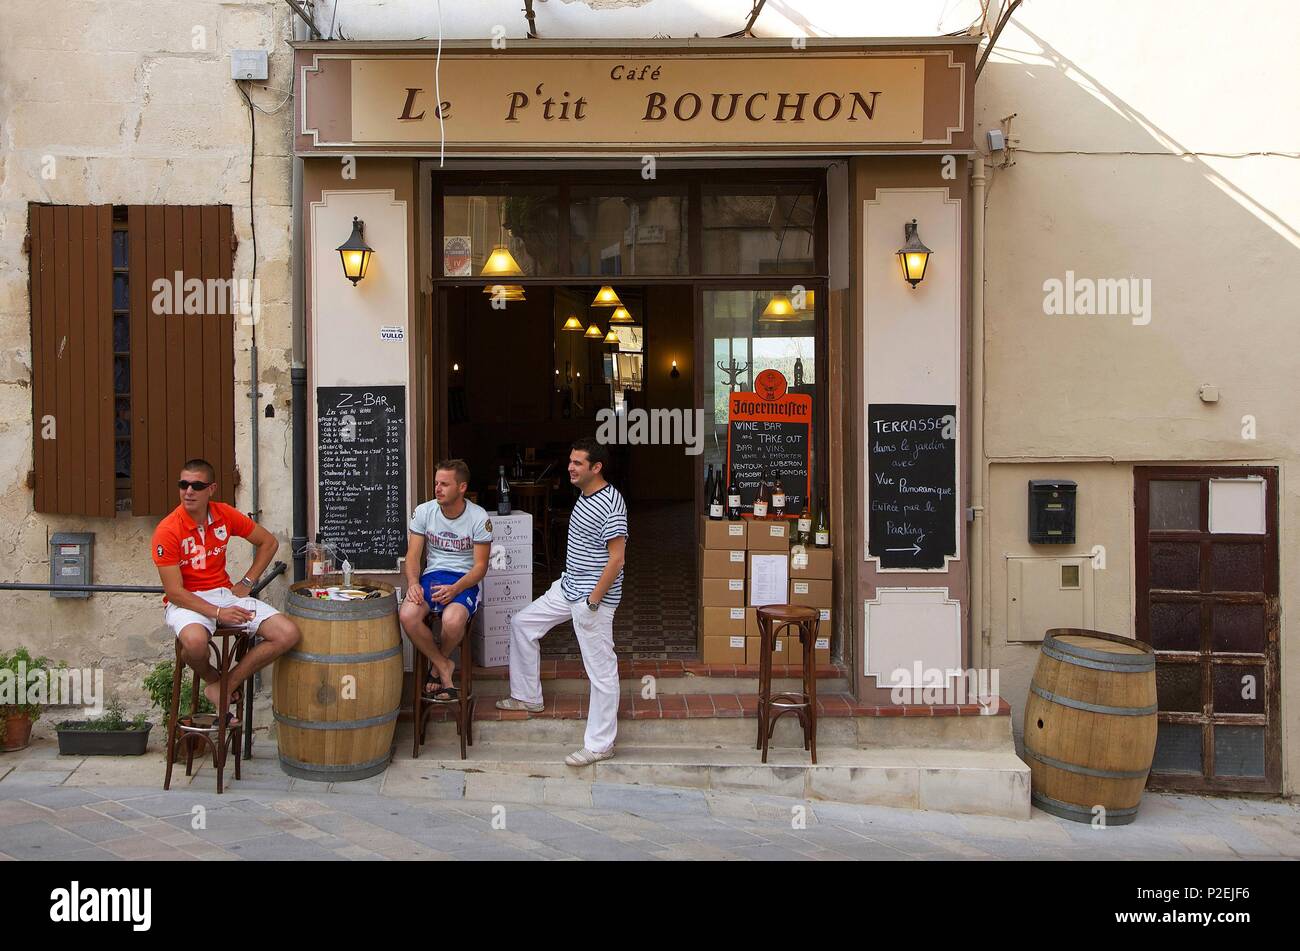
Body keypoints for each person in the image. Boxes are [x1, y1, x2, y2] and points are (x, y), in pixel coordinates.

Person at [498, 437, 627, 766]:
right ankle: (528, 697)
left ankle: (600, 745)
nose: (570, 467)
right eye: (570, 461)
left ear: (596, 468)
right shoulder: (584, 495)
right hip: (569, 587)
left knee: (601, 672)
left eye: (578, 463)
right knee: (523, 623)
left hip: (591, 599)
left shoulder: (611, 502)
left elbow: (617, 560)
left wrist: (593, 603)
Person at [151, 459, 301, 711]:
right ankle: (212, 677)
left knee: (288, 634)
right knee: (196, 644)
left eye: (197, 485)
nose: (188, 491)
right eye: (183, 484)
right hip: (188, 600)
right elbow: (175, 593)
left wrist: (247, 581)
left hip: (224, 594)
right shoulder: (167, 529)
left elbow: (268, 542)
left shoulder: (223, 513)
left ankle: (224, 686)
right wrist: (219, 613)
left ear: (211, 489)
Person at [400, 459, 490, 701]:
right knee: (407, 615)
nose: (437, 488)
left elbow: (481, 567)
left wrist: (456, 588)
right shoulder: (424, 512)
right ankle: (443, 664)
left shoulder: (478, 517)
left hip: (464, 580)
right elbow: (412, 556)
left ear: (461, 488)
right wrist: (413, 584)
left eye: (444, 484)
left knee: (452, 621)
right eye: (436, 483)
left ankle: (435, 667)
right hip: (432, 576)